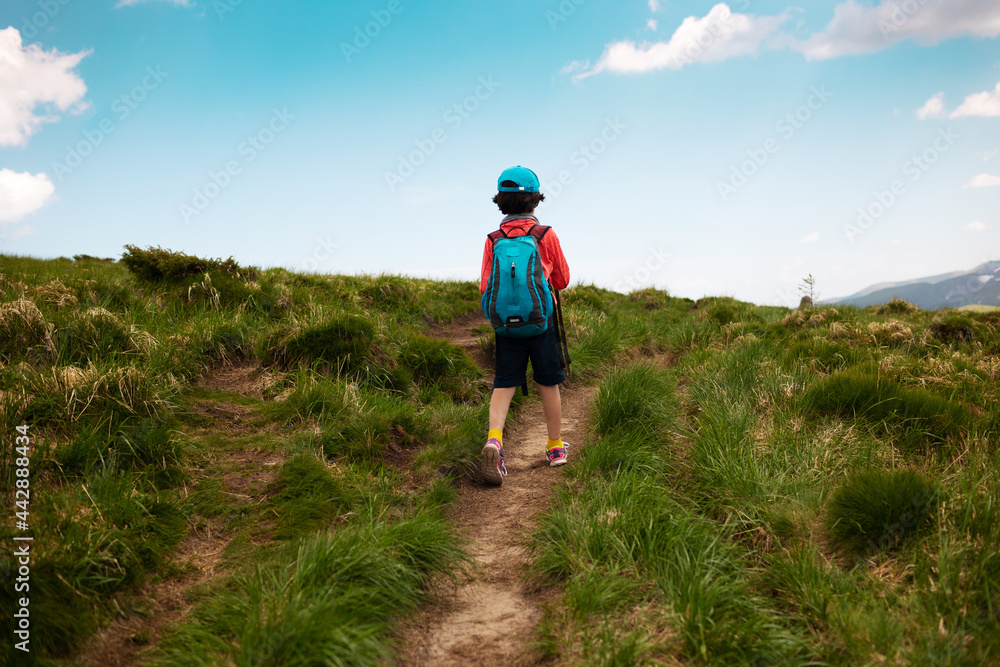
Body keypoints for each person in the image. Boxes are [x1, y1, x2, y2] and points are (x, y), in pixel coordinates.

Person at [478, 165, 570, 485]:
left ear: (500, 201)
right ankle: (555, 447)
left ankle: (494, 441)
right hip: (541, 322)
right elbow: (563, 279)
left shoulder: (493, 239)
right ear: (535, 200)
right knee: (548, 383)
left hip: (505, 326)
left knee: (504, 385)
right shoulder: (545, 235)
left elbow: (485, 286)